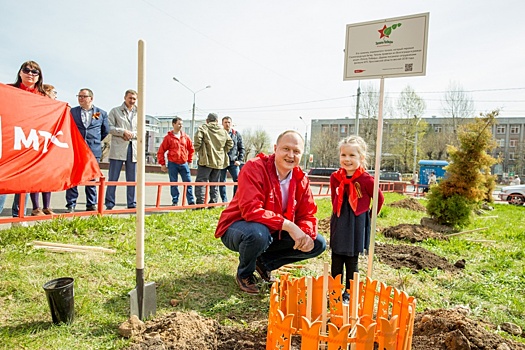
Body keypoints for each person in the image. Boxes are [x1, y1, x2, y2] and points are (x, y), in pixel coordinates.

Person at [215, 130, 326, 294]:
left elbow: (307, 214)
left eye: (296, 151)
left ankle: (264, 263)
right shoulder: (254, 167)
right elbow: (251, 211)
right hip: (238, 228)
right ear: (275, 148)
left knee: (318, 243)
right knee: (258, 234)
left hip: (273, 232)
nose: (290, 155)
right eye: (286, 149)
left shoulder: (300, 178)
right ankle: (245, 274)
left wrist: (306, 234)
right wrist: (289, 226)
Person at [329, 135, 384, 301]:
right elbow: (333, 198)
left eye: (352, 155)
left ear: (361, 157)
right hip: (340, 220)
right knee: (336, 257)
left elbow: (379, 198)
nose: (347, 159)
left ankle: (349, 292)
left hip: (356, 223)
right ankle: (334, 291)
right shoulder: (335, 177)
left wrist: (368, 218)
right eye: (343, 155)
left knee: (351, 259)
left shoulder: (366, 179)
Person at [7, 61, 46, 225]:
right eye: (27, 70)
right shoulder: (8, 91)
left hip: (29, 143)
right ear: (20, 73)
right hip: (9, 141)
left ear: (39, 77)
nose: (30, 73)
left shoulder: (43, 97)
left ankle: (19, 217)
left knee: (24, 182)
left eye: (34, 72)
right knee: (4, 178)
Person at [66, 88, 109, 212]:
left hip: (93, 149)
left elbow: (105, 130)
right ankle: (71, 204)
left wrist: (94, 141)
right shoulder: (72, 112)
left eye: (83, 96)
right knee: (73, 175)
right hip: (75, 148)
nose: (80, 98)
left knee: (91, 176)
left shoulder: (101, 113)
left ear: (91, 98)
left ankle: (91, 204)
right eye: (79, 96)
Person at [105, 89, 138, 210]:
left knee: (132, 178)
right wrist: (122, 131)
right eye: (130, 98)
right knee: (113, 177)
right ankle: (109, 203)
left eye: (134, 99)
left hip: (133, 149)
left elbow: (142, 130)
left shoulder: (139, 112)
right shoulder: (115, 111)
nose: (132, 101)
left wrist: (132, 134)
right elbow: (109, 127)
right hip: (118, 148)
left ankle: (131, 203)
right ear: (125, 98)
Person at [29, 84, 58, 216]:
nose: (56, 96)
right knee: (35, 178)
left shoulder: (56, 109)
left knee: (47, 178)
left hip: (49, 147)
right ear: (46, 93)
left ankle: (47, 206)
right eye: (54, 93)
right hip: (36, 145)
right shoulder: (38, 107)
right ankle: (36, 208)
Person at [193, 113, 233, 205]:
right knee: (214, 183)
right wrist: (222, 151)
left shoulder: (203, 128)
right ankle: (213, 203)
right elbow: (230, 143)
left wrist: (199, 150)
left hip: (205, 160)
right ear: (217, 121)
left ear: (207, 120)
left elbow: (197, 141)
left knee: (201, 182)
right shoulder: (222, 130)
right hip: (218, 161)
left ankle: (200, 203)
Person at [156, 117, 195, 206]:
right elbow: (161, 151)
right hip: (172, 163)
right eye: (179, 124)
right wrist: (162, 164)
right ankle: (175, 200)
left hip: (183, 163)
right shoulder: (168, 138)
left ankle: (191, 201)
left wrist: (189, 160)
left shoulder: (185, 137)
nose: (180, 126)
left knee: (188, 182)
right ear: (173, 124)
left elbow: (191, 149)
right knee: (174, 183)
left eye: (181, 124)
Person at [219, 116, 245, 202]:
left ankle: (234, 200)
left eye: (229, 122)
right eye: (225, 122)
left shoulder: (236, 134)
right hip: (222, 162)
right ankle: (224, 201)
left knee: (238, 180)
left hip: (233, 162)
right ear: (222, 123)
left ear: (231, 123)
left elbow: (242, 148)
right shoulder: (219, 134)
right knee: (221, 181)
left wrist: (239, 160)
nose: (227, 124)